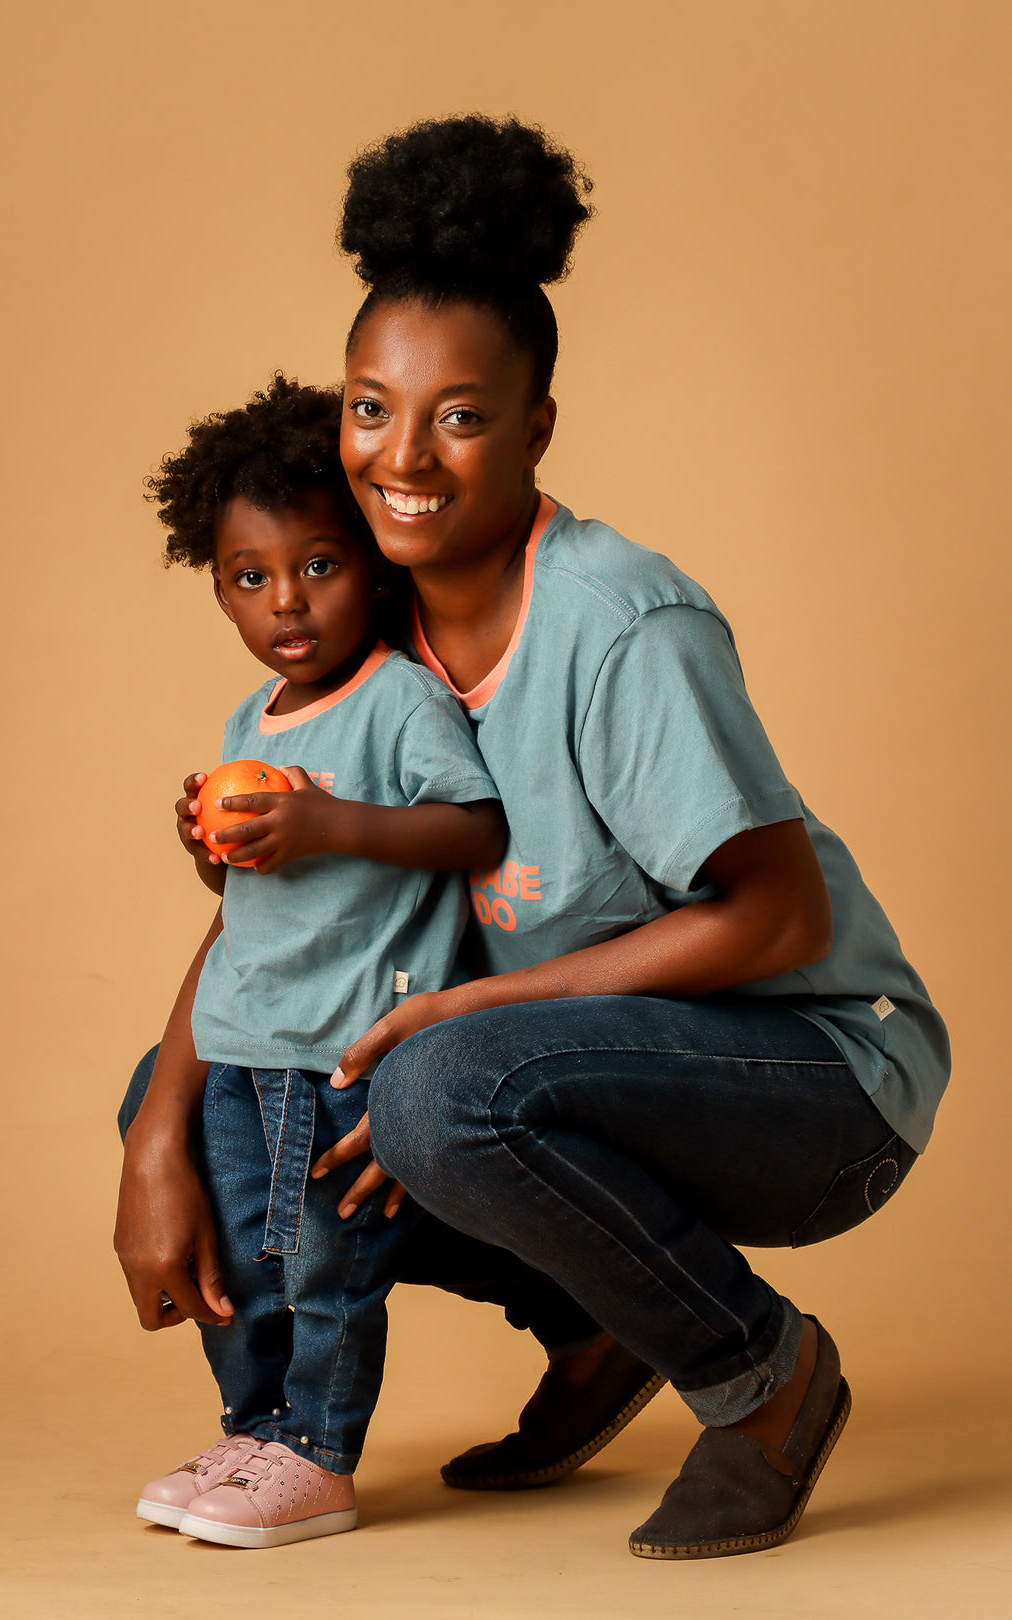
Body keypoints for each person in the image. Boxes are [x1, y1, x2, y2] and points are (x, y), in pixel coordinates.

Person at [303, 114, 952, 1560]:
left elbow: (775, 919)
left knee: (436, 1089)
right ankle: (600, 1329)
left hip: (817, 1077)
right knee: (257, 1094)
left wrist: (470, 1007)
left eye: (458, 415)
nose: (401, 455)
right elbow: (288, 912)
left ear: (537, 426)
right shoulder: (371, 626)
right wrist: (160, 1117)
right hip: (585, 1071)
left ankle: (765, 1379)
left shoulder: (616, 621)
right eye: (368, 407)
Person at [115, 375, 511, 1548]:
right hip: (244, 1038)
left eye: (320, 565)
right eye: (250, 577)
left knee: (329, 1262)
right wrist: (214, 848)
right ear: (221, 586)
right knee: (243, 1248)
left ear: (374, 566)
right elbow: (256, 895)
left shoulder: (400, 700)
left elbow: (476, 829)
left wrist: (330, 821)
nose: (286, 600)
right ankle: (255, 1431)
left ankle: (320, 1454)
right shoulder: (255, 720)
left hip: (343, 1048)